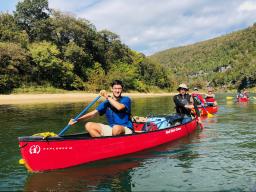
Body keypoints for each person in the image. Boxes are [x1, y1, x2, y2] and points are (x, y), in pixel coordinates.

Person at [69, 80, 133, 137]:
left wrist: (107, 96)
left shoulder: (126, 99)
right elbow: (93, 113)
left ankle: (109, 144)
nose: (117, 90)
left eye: (119, 88)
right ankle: (102, 143)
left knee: (116, 128)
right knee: (88, 125)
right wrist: (77, 120)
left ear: (122, 89)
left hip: (125, 128)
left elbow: (119, 107)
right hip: (111, 128)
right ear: (111, 89)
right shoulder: (107, 102)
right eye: (115, 88)